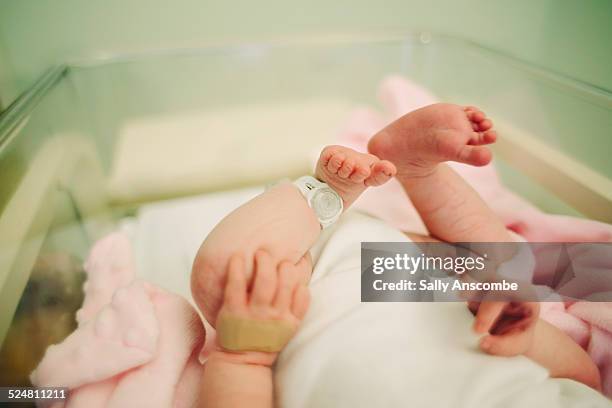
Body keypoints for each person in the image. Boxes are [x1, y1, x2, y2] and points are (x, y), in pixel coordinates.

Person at [192, 103, 601, 407]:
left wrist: (243, 355)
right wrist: (522, 333)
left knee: (225, 277)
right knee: (499, 263)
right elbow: (582, 377)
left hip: (293, 299)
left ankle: (325, 198)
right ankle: (416, 170)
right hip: (452, 296)